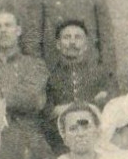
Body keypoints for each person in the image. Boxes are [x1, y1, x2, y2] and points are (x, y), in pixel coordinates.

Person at [43, 19, 115, 151]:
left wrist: (66, 107)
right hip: (59, 142)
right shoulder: (49, 75)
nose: (72, 42)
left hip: (97, 141)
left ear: (86, 44)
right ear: (58, 44)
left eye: (78, 37)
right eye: (67, 37)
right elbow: (46, 109)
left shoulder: (101, 73)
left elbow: (109, 103)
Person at [0, 8, 51, 140]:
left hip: (27, 138)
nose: (3, 30)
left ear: (18, 31)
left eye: (8, 25)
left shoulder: (35, 65)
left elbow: (32, 99)